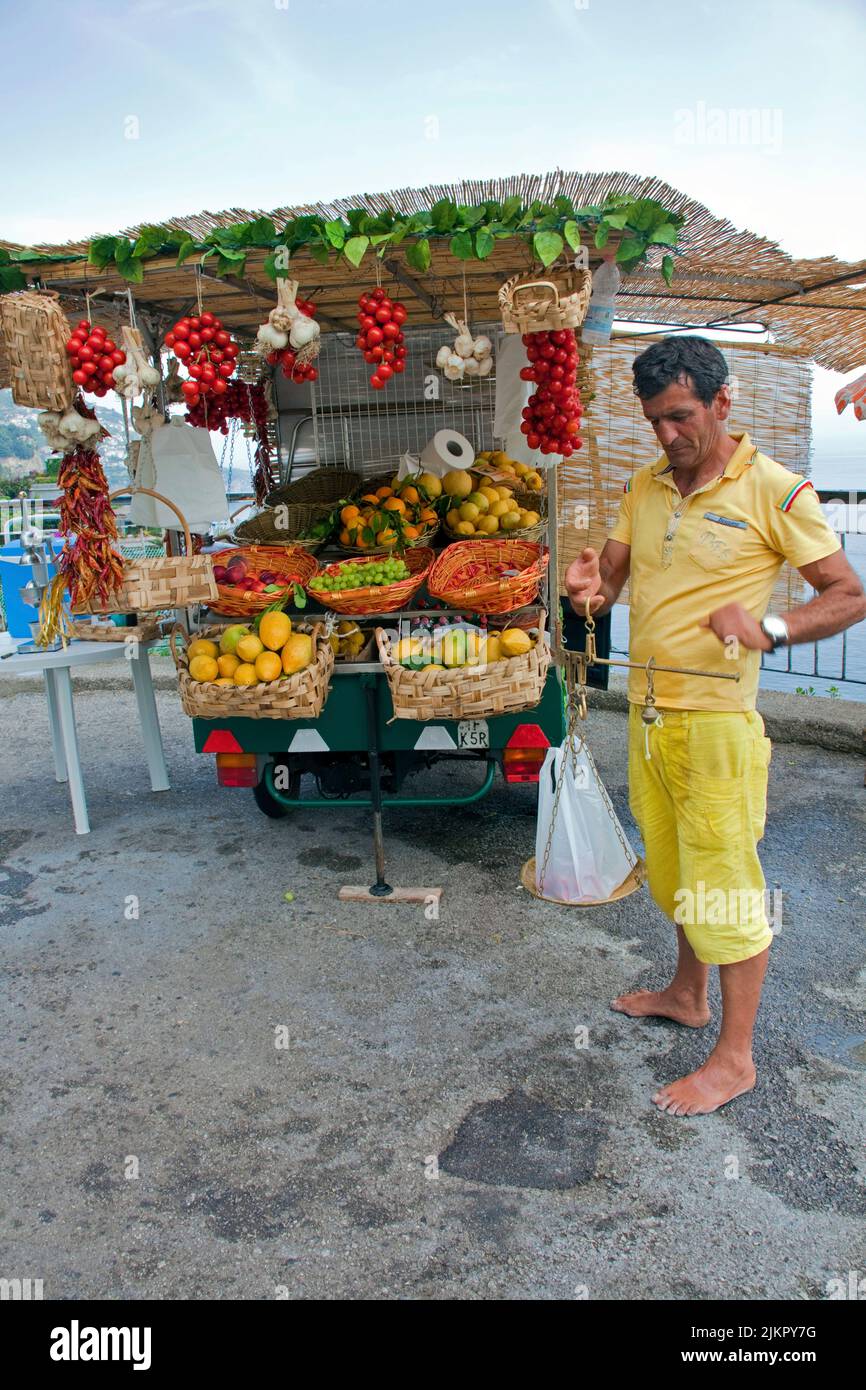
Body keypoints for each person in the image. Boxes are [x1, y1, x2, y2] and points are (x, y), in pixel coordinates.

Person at [566, 336, 866, 1117]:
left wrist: (773, 627)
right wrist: (581, 595)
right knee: (673, 872)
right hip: (648, 712)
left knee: (726, 888)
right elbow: (605, 590)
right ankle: (686, 993)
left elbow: (846, 593)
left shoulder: (776, 490)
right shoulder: (643, 487)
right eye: (654, 421)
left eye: (681, 417)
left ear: (722, 402)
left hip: (717, 726)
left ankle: (735, 1060)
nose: (668, 435)